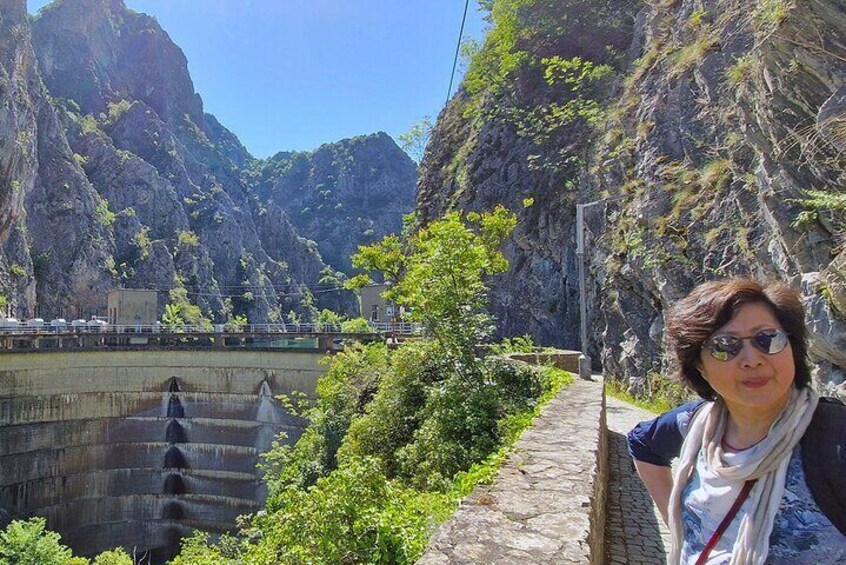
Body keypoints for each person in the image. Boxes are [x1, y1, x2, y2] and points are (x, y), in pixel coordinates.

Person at [627, 277, 846, 564]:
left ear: (793, 348)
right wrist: (679, 524)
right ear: (699, 367)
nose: (752, 359)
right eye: (725, 346)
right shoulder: (695, 423)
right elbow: (642, 443)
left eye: (768, 338)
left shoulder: (835, 439)